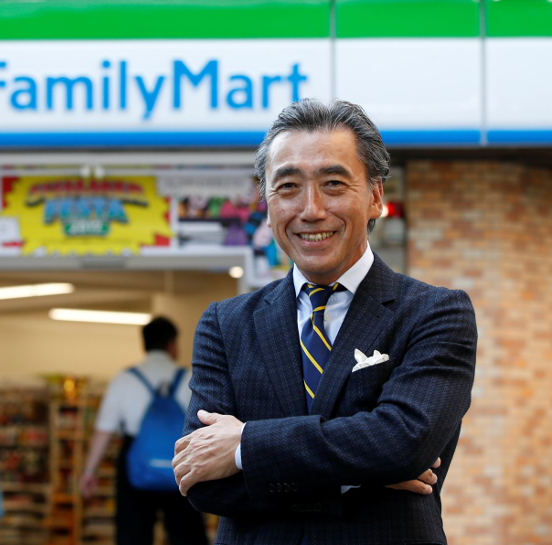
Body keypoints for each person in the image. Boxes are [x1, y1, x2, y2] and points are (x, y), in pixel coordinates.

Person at [172, 99, 477, 545]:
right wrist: (360, 474)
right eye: (288, 187)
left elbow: (404, 442)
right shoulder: (226, 324)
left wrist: (244, 446)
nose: (311, 209)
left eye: (333, 183)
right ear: (266, 202)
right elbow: (202, 480)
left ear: (375, 197)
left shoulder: (435, 313)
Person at [80, 317, 209, 545]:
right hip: (180, 460)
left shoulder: (124, 379)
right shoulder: (189, 379)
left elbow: (104, 430)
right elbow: (206, 424)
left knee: (133, 534)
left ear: (144, 344)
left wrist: (90, 471)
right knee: (187, 534)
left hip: (135, 461)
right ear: (172, 344)